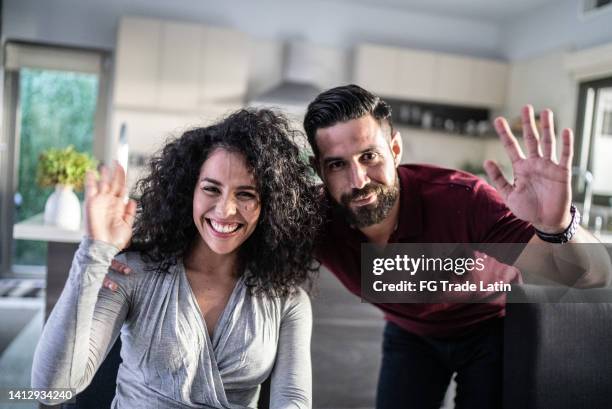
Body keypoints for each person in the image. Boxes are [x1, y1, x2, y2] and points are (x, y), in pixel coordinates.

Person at [301, 84, 608, 409]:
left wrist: (557, 226)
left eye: (369, 156)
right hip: (411, 332)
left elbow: (591, 276)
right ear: (319, 169)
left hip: (489, 328)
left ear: (395, 149)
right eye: (337, 165)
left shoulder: (463, 200)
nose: (358, 180)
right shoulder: (312, 220)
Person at [31, 108, 321, 408]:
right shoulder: (135, 273)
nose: (225, 210)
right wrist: (93, 251)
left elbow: (293, 401)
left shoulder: (288, 300)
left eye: (246, 194)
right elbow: (51, 389)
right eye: (211, 188)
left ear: (269, 206)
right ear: (189, 191)